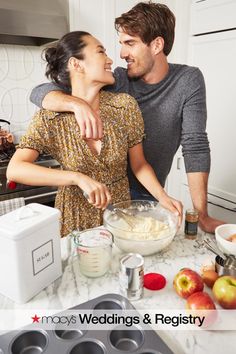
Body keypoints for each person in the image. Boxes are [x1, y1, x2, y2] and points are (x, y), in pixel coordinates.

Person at [30, 2, 224, 234]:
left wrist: (201, 214)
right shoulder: (117, 79)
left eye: (130, 43)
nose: (121, 54)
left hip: (147, 193)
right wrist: (76, 104)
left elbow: (196, 146)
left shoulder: (188, 80)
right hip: (100, 195)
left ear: (156, 45)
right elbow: (39, 91)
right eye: (120, 44)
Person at [7, 30, 182, 237]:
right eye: (101, 52)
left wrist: (162, 196)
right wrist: (77, 178)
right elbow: (15, 169)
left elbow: (139, 164)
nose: (110, 60)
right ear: (76, 64)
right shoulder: (50, 118)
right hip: (74, 219)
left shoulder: (124, 106)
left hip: (119, 216)